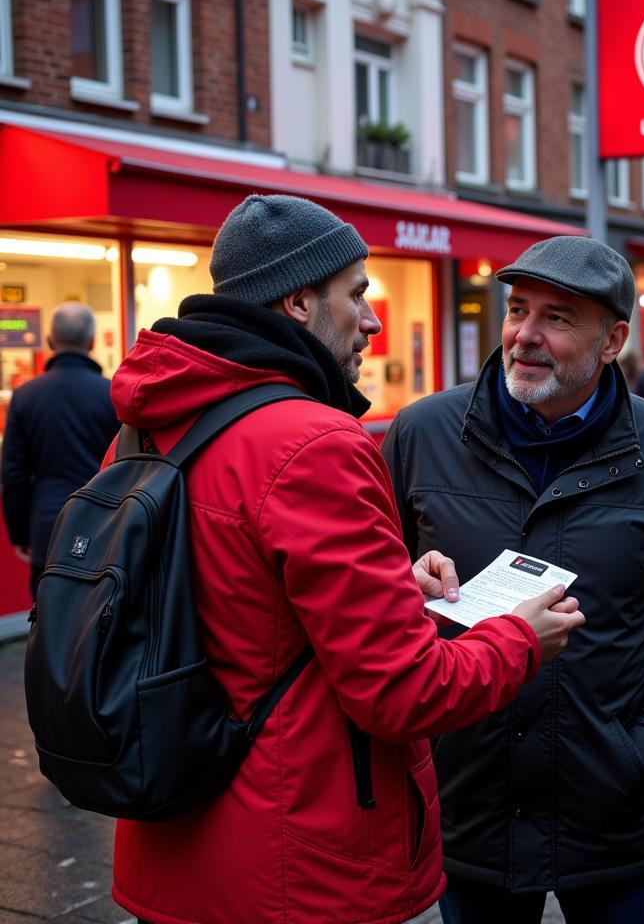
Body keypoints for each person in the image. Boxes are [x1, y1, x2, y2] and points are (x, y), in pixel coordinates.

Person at [106, 195, 585, 924]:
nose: (372, 319)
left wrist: (393, 580)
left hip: (172, 843)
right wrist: (521, 638)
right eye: (357, 294)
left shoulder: (147, 426)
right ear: (299, 302)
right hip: (292, 864)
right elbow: (405, 692)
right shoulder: (312, 443)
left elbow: (235, 605)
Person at [383, 235, 644, 924]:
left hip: (614, 814)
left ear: (613, 339)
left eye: (557, 318)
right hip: (471, 804)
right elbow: (374, 604)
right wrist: (406, 585)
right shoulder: (422, 434)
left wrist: (639, 747)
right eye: (518, 310)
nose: (525, 336)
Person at [1, 302, 119, 597]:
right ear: (91, 342)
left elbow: (13, 474)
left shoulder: (26, 397)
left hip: (47, 530)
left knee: (46, 624)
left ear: (51, 342)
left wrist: (19, 533)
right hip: (103, 528)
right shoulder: (112, 395)